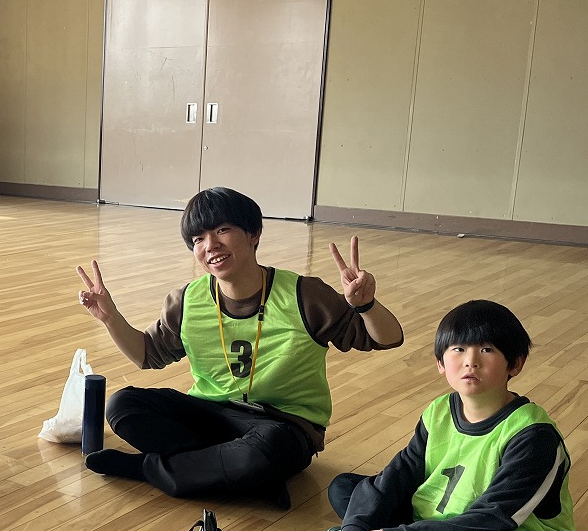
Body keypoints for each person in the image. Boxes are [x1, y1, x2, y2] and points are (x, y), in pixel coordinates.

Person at [77, 187, 403, 507]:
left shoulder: (305, 295)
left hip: (283, 425)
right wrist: (110, 318)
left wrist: (366, 305)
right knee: (123, 404)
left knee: (268, 448)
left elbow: (386, 338)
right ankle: (241, 476)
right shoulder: (187, 300)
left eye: (222, 230)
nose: (210, 245)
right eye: (198, 239)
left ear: (253, 234)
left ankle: (150, 469)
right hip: (211, 415)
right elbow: (146, 354)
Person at [323, 300, 578, 531]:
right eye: (458, 349)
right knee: (346, 488)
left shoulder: (533, 434)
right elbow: (400, 473)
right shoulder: (440, 410)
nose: (471, 361)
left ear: (516, 364)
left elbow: (495, 516)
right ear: (440, 364)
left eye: (487, 349)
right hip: (434, 522)